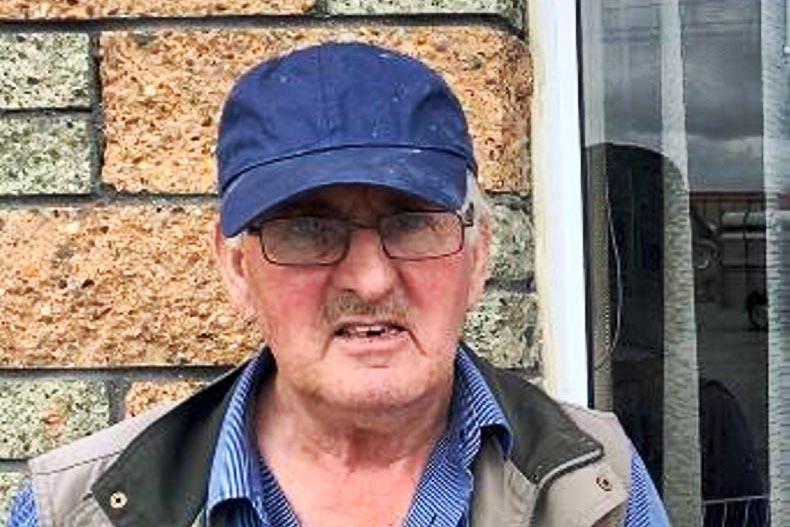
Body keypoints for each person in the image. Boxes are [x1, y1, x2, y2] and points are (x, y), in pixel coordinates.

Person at [6, 42, 669, 527]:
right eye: (307, 230)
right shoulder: (80, 509)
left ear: (479, 255)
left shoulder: (596, 484)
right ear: (236, 267)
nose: (371, 279)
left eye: (413, 223)